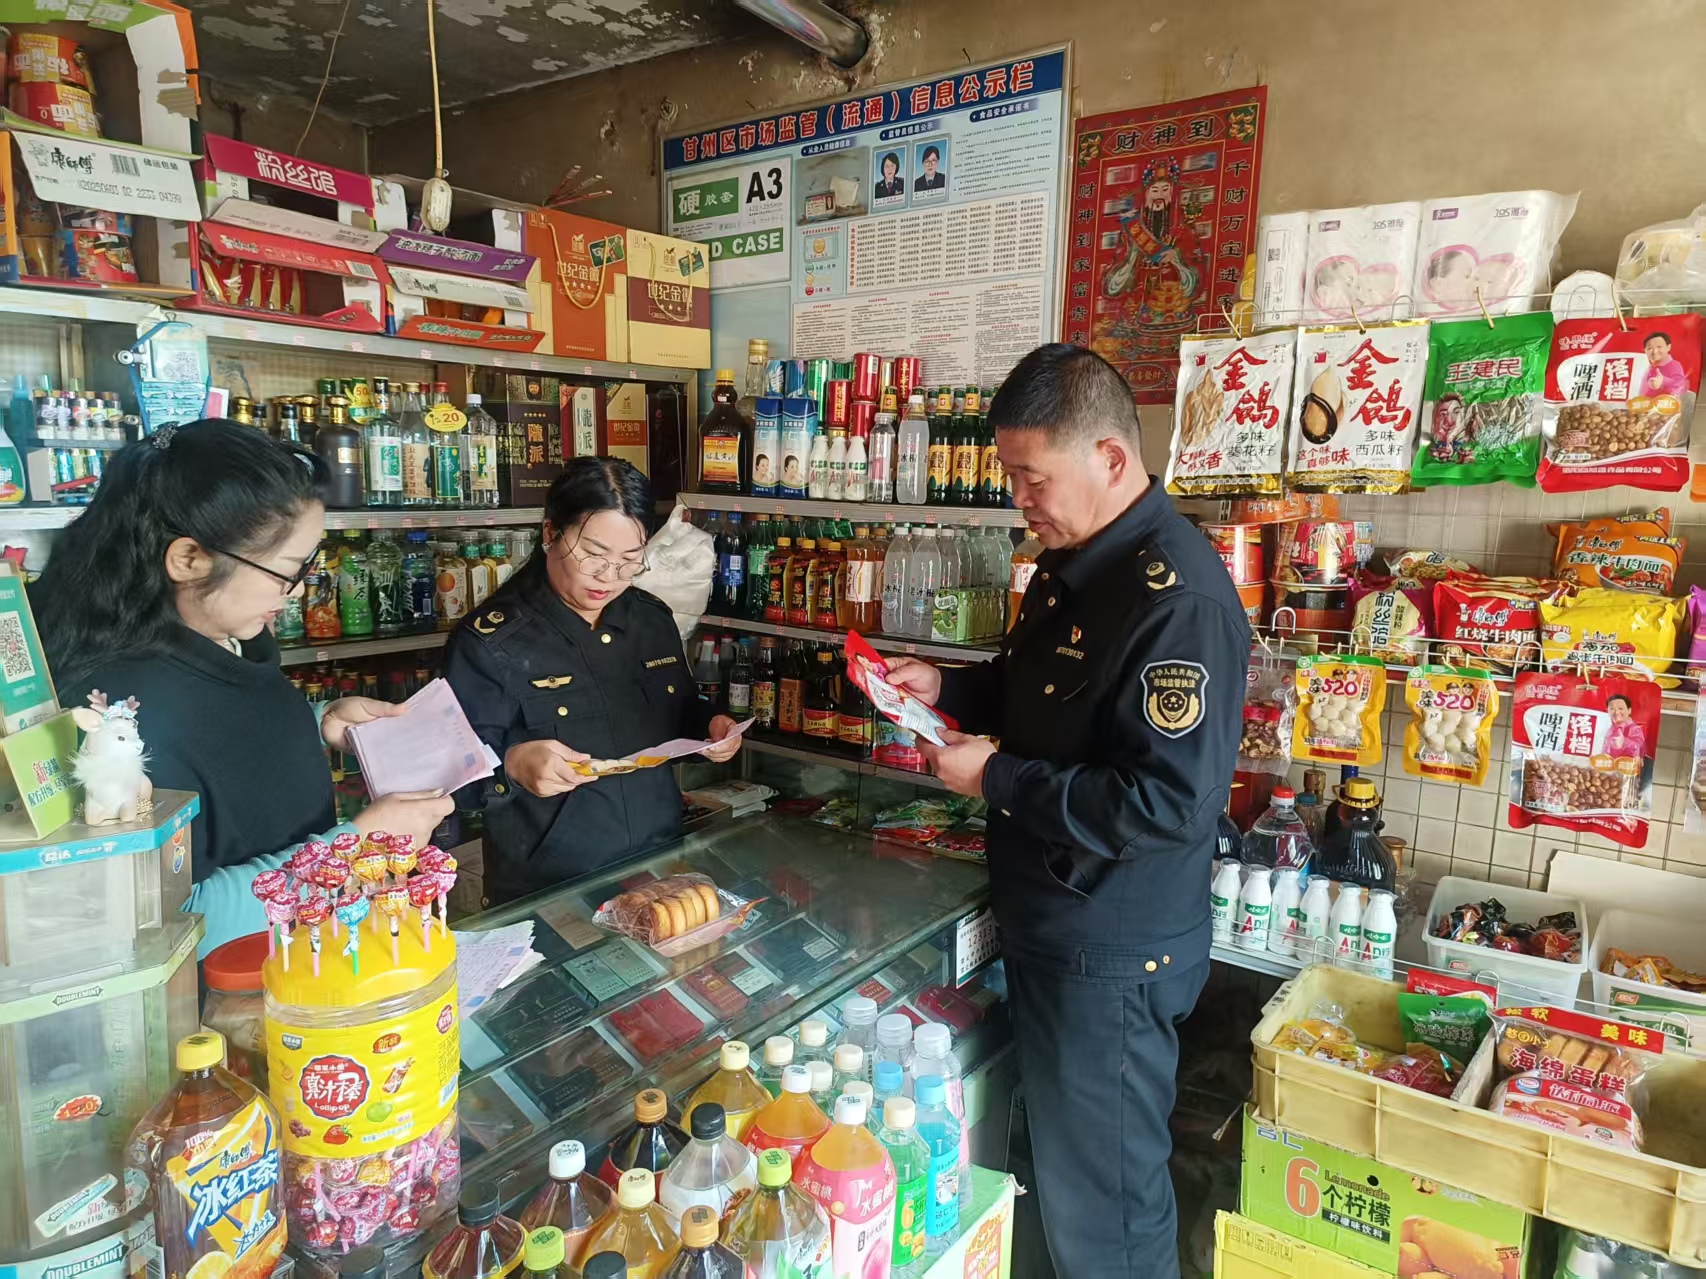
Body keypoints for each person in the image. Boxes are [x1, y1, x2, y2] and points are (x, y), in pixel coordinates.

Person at [882, 345, 1249, 1278]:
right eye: (1011, 476)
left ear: (1110, 459)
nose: (1019, 499)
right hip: (1058, 928)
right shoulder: (1073, 561)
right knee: (1061, 1179)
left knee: (1107, 1213)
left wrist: (995, 780)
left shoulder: (1178, 598)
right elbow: (1039, 691)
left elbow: (1165, 803)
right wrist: (949, 689)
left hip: (1111, 952)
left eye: (1031, 477)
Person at [31, 420, 453, 956]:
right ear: (188, 560)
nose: (297, 592)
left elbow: (223, 749)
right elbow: (178, 924)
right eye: (286, 572)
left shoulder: (220, 638)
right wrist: (354, 848)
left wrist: (314, 723)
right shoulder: (115, 716)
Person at [446, 457, 743, 905]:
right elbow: (451, 775)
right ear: (550, 533)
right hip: (552, 891)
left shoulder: (650, 620)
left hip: (657, 868)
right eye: (593, 555)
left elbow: (677, 708)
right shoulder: (491, 641)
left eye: (630, 561)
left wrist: (711, 726)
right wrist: (513, 765)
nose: (609, 577)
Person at [1641, 330, 1687, 398]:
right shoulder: (1647, 367)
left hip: (1665, 403)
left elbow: (1681, 385)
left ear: (1668, 347)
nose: (1654, 351)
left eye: (1659, 347)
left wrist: (1663, 381)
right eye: (1650, 348)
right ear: (1645, 350)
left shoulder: (1674, 365)